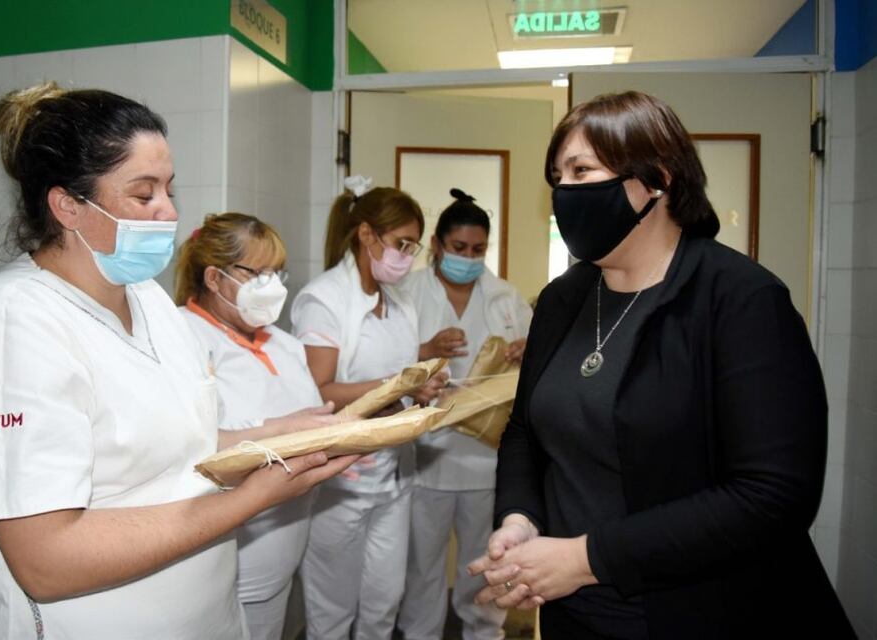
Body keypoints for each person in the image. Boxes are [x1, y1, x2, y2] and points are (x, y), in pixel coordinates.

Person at [0, 82, 356, 640]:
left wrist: (280, 433)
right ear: (68, 206)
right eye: (143, 194)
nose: (170, 210)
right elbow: (47, 561)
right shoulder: (8, 327)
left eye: (169, 189)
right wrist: (254, 496)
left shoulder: (149, 300)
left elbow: (176, 442)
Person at [468, 91, 854, 639]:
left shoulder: (741, 300)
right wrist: (520, 519)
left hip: (703, 612)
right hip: (573, 612)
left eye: (583, 171)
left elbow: (773, 495)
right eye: (558, 177)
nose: (564, 193)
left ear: (658, 179)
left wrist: (586, 558)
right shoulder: (562, 300)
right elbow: (525, 431)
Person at [291, 176, 448, 639]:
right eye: (401, 243)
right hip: (339, 482)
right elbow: (318, 391)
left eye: (413, 247)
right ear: (366, 235)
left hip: (394, 476)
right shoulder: (323, 300)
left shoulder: (397, 303)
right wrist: (400, 385)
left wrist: (423, 376)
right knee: (333, 612)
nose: (407, 256)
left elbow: (399, 368)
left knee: (384, 603)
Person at [175, 212, 336, 639]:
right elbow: (194, 442)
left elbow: (312, 423)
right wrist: (280, 428)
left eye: (277, 272)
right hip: (226, 548)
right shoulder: (181, 337)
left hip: (284, 543)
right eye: (259, 273)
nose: (274, 286)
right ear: (214, 277)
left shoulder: (285, 344)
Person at [397, 188, 532, 640]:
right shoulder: (405, 293)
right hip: (427, 456)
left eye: (478, 250)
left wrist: (526, 354)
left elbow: (540, 371)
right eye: (458, 249)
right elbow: (378, 367)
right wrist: (425, 351)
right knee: (422, 569)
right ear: (436, 245)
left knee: (485, 567)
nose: (469, 259)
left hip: (486, 459)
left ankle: (485, 635)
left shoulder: (506, 297)